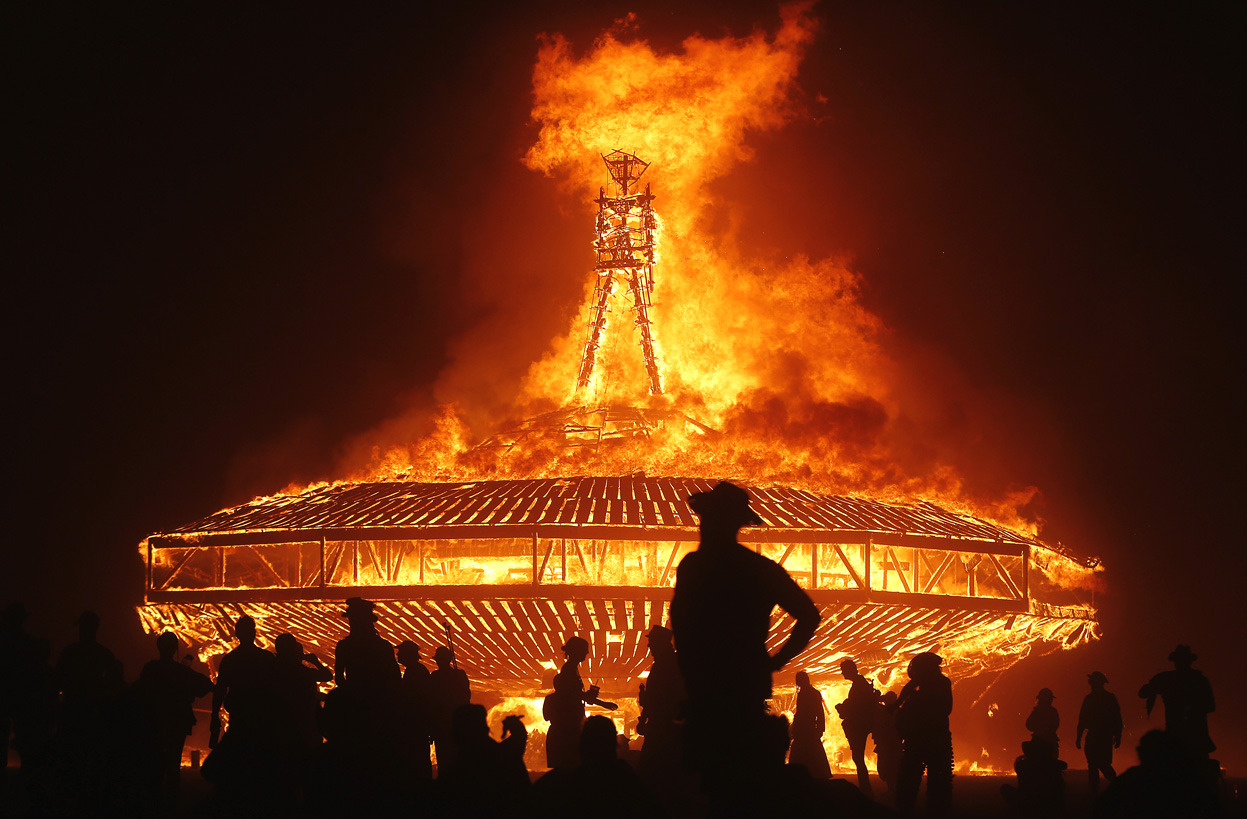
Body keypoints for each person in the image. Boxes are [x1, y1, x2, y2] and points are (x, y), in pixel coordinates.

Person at [669, 481, 820, 801]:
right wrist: (775, 661)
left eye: (709, 518)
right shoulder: (758, 569)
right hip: (742, 692)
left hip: (709, 698)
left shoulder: (693, 568)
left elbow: (681, 628)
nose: (703, 525)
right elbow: (808, 615)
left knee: (717, 791)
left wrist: (688, 677)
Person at [136, 631, 214, 812]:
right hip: (175, 724)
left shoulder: (150, 669)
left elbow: (140, 692)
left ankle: (154, 806)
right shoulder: (181, 671)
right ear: (174, 649)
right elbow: (206, 686)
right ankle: (171, 806)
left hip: (154, 723)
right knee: (173, 766)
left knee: (154, 765)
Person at [204, 614, 279, 795]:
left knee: (238, 760)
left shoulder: (231, 660)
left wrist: (215, 719)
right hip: (261, 720)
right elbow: (277, 690)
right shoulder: (266, 658)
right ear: (254, 633)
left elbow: (220, 690)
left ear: (237, 634)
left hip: (240, 718)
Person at [894, 652, 953, 817]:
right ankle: (936, 809)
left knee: (911, 779)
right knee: (938, 780)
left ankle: (911, 809)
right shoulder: (936, 683)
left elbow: (945, 709)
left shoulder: (925, 687)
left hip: (922, 738)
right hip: (935, 738)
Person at [1138, 644, 1215, 760]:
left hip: (1185, 733)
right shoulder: (1198, 680)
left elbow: (1143, 693)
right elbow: (1210, 706)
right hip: (1193, 733)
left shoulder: (1168, 679)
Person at [544, 635, 603, 769]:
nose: (587, 653)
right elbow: (571, 696)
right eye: (585, 650)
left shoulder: (571, 669)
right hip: (568, 729)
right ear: (578, 651)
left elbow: (575, 695)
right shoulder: (569, 670)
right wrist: (598, 701)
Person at [636, 625, 685, 780]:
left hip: (663, 728)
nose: (649, 646)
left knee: (650, 771)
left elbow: (657, 697)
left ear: (660, 643)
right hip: (667, 727)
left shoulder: (665, 665)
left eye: (651, 642)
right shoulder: (672, 663)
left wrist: (644, 717)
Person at [836, 657, 881, 794]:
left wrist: (843, 707)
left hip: (859, 725)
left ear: (850, 670)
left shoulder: (859, 684)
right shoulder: (861, 683)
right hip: (862, 724)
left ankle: (865, 789)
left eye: (844, 670)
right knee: (858, 757)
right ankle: (865, 787)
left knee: (858, 757)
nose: (843, 674)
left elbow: (857, 705)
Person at [1076, 671, 1122, 795]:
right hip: (1103, 736)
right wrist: (1118, 735)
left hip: (1098, 736)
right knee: (1096, 763)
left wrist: (1079, 737)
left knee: (1097, 763)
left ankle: (1106, 786)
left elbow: (1083, 719)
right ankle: (1100, 788)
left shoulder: (1091, 699)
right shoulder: (1108, 698)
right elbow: (1117, 718)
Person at [428, 642, 471, 769]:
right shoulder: (459, 675)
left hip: (442, 724)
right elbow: (466, 697)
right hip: (457, 724)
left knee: (444, 758)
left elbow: (431, 701)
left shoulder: (435, 677)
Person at [396, 639, 433, 780]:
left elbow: (417, 699)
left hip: (417, 723)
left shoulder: (415, 671)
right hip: (419, 723)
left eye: (401, 652)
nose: (398, 654)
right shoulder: (415, 670)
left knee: (418, 758)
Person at [1000, 738, 1067, 818]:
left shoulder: (1024, 765)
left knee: (1005, 788)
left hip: (1030, 801)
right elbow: (1063, 765)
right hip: (1051, 802)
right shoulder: (1053, 765)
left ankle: (1022, 811)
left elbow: (1019, 768)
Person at [789, 670, 831, 780]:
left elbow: (818, 712)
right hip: (809, 728)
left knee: (806, 752)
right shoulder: (811, 693)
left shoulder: (806, 693)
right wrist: (820, 728)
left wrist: (820, 728)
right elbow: (819, 713)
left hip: (807, 728)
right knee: (814, 752)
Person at [873, 690, 903, 794]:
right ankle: (892, 787)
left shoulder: (894, 711)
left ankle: (892, 788)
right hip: (888, 742)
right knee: (886, 766)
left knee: (889, 766)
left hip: (890, 742)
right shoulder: (885, 710)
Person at [1025, 688, 1060, 758]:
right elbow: (1056, 725)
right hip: (1050, 741)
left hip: (1037, 741)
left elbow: (1029, 725)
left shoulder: (1037, 711)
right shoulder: (1053, 711)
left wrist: (1038, 729)